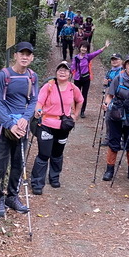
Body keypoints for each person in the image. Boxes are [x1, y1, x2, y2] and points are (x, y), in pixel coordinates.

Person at [0, 42, 38, 217]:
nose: (25, 57)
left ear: (32, 57)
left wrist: (25, 119)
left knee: (18, 163)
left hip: (22, 125)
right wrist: (10, 124)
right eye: (22, 54)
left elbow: (33, 100)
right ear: (15, 56)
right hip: (3, 126)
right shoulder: (4, 75)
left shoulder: (33, 76)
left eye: (28, 54)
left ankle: (12, 196)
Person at [30, 61, 83, 194]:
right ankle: (37, 183)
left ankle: (54, 178)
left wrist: (75, 115)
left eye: (65, 70)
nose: (62, 72)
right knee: (44, 154)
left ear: (70, 74)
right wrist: (38, 110)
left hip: (64, 126)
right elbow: (39, 101)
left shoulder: (72, 88)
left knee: (57, 153)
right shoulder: (49, 86)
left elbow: (80, 100)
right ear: (56, 72)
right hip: (47, 124)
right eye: (60, 69)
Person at [102, 54, 129, 183]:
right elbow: (110, 95)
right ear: (125, 65)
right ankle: (109, 169)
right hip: (116, 114)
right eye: (128, 64)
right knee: (113, 142)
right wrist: (106, 104)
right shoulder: (118, 78)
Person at [71, 39, 110, 118]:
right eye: (82, 47)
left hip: (86, 79)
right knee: (76, 95)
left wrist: (105, 47)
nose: (83, 49)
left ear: (87, 49)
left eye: (85, 48)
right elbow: (72, 67)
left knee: (84, 95)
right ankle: (74, 110)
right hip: (77, 79)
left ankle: (82, 111)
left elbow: (97, 52)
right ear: (80, 48)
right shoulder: (75, 58)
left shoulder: (88, 57)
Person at [100, 53, 123, 146]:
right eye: (113, 59)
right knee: (108, 117)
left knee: (120, 118)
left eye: (116, 59)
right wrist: (105, 83)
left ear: (121, 61)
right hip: (111, 97)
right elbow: (108, 85)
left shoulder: (123, 72)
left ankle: (120, 140)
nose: (114, 61)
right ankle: (108, 138)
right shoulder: (110, 71)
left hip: (120, 98)